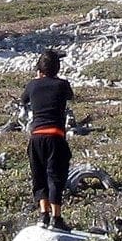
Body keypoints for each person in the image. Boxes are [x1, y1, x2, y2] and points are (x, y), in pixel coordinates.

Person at [20, 48, 75, 231]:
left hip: (36, 137)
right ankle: (56, 217)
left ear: (39, 68)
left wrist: (37, 79)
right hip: (56, 136)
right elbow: (70, 97)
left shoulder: (32, 85)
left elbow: (23, 99)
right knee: (55, 177)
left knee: (39, 176)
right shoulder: (63, 85)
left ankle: (43, 215)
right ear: (57, 68)